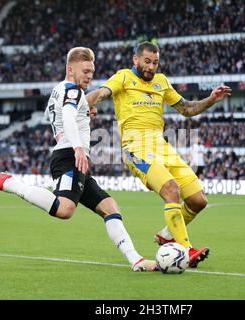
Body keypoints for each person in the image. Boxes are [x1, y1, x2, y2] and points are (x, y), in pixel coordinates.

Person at [0, 47, 156, 272]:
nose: (89, 76)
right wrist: (78, 147)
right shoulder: (73, 89)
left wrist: (84, 112)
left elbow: (64, 116)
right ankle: (8, 182)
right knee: (64, 209)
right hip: (70, 156)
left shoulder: (59, 90)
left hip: (70, 154)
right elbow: (68, 116)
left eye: (92, 71)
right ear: (71, 69)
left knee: (109, 207)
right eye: (85, 71)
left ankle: (135, 260)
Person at [86, 42, 232, 268]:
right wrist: (86, 103)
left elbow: (187, 109)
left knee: (198, 200)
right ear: (135, 60)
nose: (151, 67)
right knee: (171, 190)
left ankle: (167, 234)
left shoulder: (161, 81)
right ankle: (186, 249)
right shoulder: (123, 77)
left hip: (162, 146)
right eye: (147, 62)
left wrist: (211, 99)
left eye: (155, 63)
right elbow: (102, 93)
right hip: (135, 148)